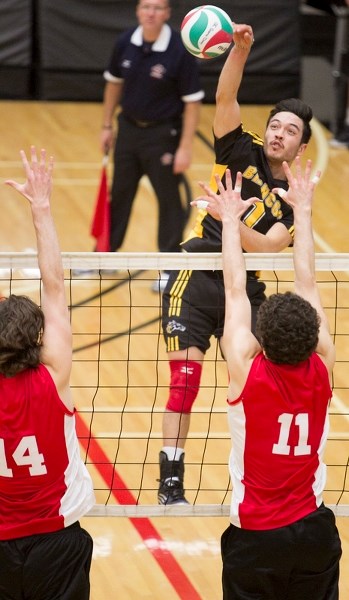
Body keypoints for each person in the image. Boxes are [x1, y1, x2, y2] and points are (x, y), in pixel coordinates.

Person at [158, 22, 314, 505]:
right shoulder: (239, 147)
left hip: (245, 292)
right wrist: (240, 52)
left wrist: (228, 217)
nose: (278, 134)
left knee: (264, 385)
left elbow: (270, 246)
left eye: (290, 131)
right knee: (185, 382)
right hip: (197, 272)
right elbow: (225, 98)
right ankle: (171, 480)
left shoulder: (293, 197)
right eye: (275, 125)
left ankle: (260, 473)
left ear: (301, 146)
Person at [203, 158, 342, 599]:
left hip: (258, 536)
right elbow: (309, 283)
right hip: (315, 530)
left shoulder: (247, 370)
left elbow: (234, 289)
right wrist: (302, 211)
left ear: (261, 338)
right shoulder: (323, 365)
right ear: (312, 336)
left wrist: (229, 221)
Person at [0, 147, 95, 599]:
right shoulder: (53, 373)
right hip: (57, 539)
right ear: (36, 338)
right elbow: (54, 287)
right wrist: (41, 208)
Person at [100, 0, 204, 289]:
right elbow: (113, 83)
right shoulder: (125, 42)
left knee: (169, 203)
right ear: (137, 10)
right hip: (128, 132)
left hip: (164, 136)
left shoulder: (179, 51)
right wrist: (107, 125)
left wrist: (184, 147)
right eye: (146, 7)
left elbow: (193, 103)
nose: (151, 13)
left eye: (158, 8)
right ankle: (105, 256)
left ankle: (170, 267)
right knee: (119, 195)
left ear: (168, 14)